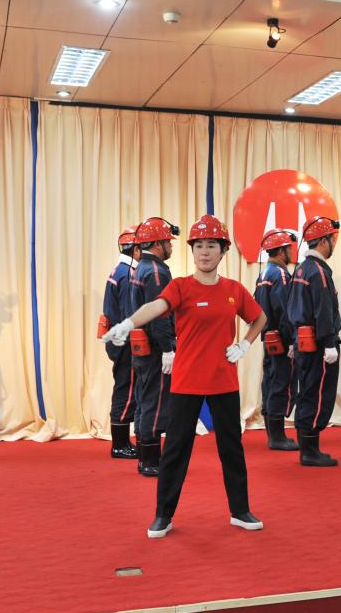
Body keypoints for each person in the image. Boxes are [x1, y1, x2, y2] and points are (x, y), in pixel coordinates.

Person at [103, 215, 267, 537]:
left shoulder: (234, 290)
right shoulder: (180, 286)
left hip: (223, 381)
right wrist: (128, 324)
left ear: (223, 251)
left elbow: (259, 318)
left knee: (231, 449)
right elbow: (156, 307)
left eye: (212, 246)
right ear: (192, 251)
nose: (205, 252)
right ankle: (163, 515)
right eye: (199, 246)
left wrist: (245, 345)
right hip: (187, 382)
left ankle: (240, 510)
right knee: (176, 451)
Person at [286, 216, 341, 467]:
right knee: (318, 395)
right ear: (323, 241)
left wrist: (292, 341)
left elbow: (290, 308)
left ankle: (307, 447)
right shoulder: (318, 272)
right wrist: (329, 343)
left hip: (303, 343)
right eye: (332, 239)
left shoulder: (300, 269)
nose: (334, 244)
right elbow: (324, 311)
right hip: (318, 346)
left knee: (306, 392)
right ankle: (310, 451)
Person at [129, 217, 179, 477]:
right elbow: (159, 314)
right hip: (155, 348)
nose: (171, 246)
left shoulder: (141, 268)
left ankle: (143, 454)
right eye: (169, 241)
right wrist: (168, 348)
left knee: (144, 399)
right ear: (158, 243)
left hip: (142, 346)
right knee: (156, 401)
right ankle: (150, 460)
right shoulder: (157, 272)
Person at [254, 228, 299, 451]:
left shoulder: (263, 274)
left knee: (270, 383)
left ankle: (273, 434)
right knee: (281, 384)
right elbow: (285, 311)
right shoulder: (280, 275)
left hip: (268, 339)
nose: (291, 252)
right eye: (289, 248)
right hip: (281, 339)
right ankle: (278, 437)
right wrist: (291, 340)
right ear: (281, 251)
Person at [101, 225, 140, 459]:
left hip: (118, 340)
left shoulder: (120, 271)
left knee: (125, 386)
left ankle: (122, 441)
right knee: (126, 389)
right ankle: (120, 444)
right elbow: (129, 314)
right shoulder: (127, 275)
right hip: (125, 341)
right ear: (135, 250)